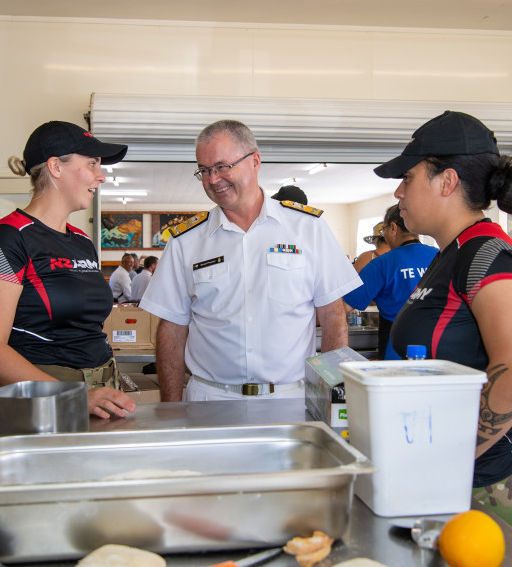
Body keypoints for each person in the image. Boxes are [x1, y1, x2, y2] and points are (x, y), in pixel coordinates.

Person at [139, 119, 361, 402]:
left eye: (222, 167)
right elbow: (172, 328)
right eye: (204, 171)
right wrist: (170, 408)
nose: (212, 180)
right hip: (210, 399)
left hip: (290, 399)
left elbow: (333, 317)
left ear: (255, 161)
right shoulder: (186, 241)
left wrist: (334, 398)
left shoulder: (308, 228)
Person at [374, 110, 512, 510]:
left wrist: (447, 458)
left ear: (447, 182)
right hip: (437, 473)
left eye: (408, 178)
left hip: (479, 486)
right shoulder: (448, 254)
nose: (399, 193)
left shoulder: (485, 255)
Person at [0, 120, 137, 419]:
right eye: (93, 164)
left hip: (97, 388)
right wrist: (72, 396)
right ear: (56, 167)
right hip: (43, 396)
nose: (101, 177)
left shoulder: (82, 241)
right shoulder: (7, 238)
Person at [343, 204, 437, 359]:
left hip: (397, 347)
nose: (384, 234)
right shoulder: (440, 256)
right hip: (438, 344)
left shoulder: (382, 264)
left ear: (393, 228)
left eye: (384, 229)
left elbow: (344, 306)